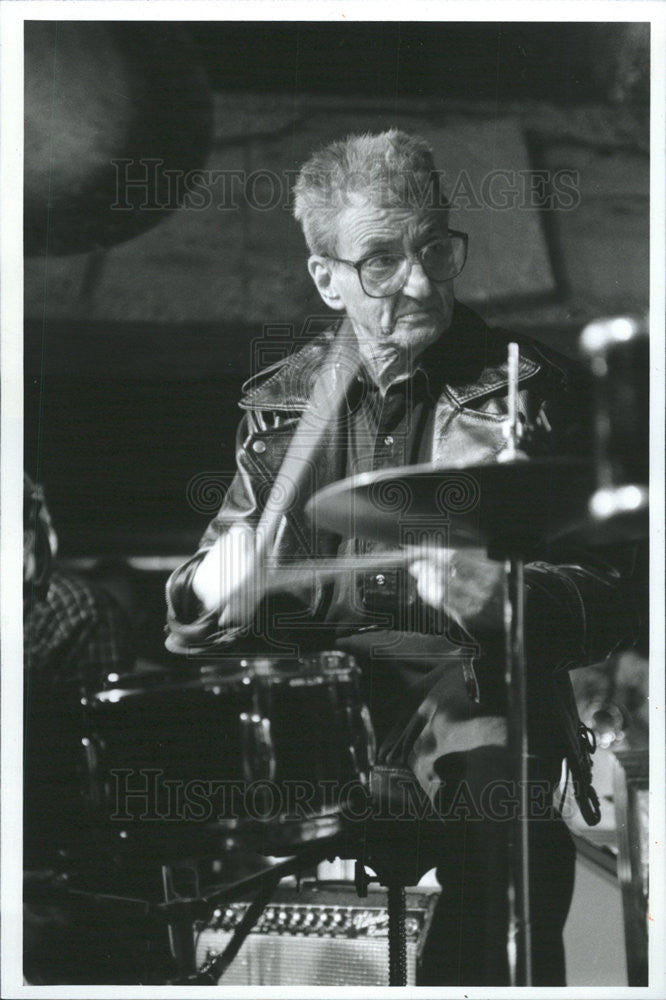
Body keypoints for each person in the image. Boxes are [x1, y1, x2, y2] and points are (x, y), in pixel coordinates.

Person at [165, 130, 635, 985]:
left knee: (509, 833)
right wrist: (207, 587)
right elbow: (195, 615)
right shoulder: (278, 407)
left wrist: (513, 602)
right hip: (322, 706)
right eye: (380, 261)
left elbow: (619, 591)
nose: (418, 282)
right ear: (326, 278)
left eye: (434, 250)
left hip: (471, 685)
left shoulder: (533, 388)